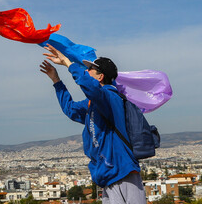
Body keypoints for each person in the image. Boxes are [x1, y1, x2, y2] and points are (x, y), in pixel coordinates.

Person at [39, 45, 146, 204]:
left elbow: (91, 88)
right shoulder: (94, 103)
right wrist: (56, 80)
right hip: (107, 174)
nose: (86, 72)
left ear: (100, 77)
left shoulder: (111, 98)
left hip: (122, 171)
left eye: (90, 70)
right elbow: (71, 110)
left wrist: (68, 63)